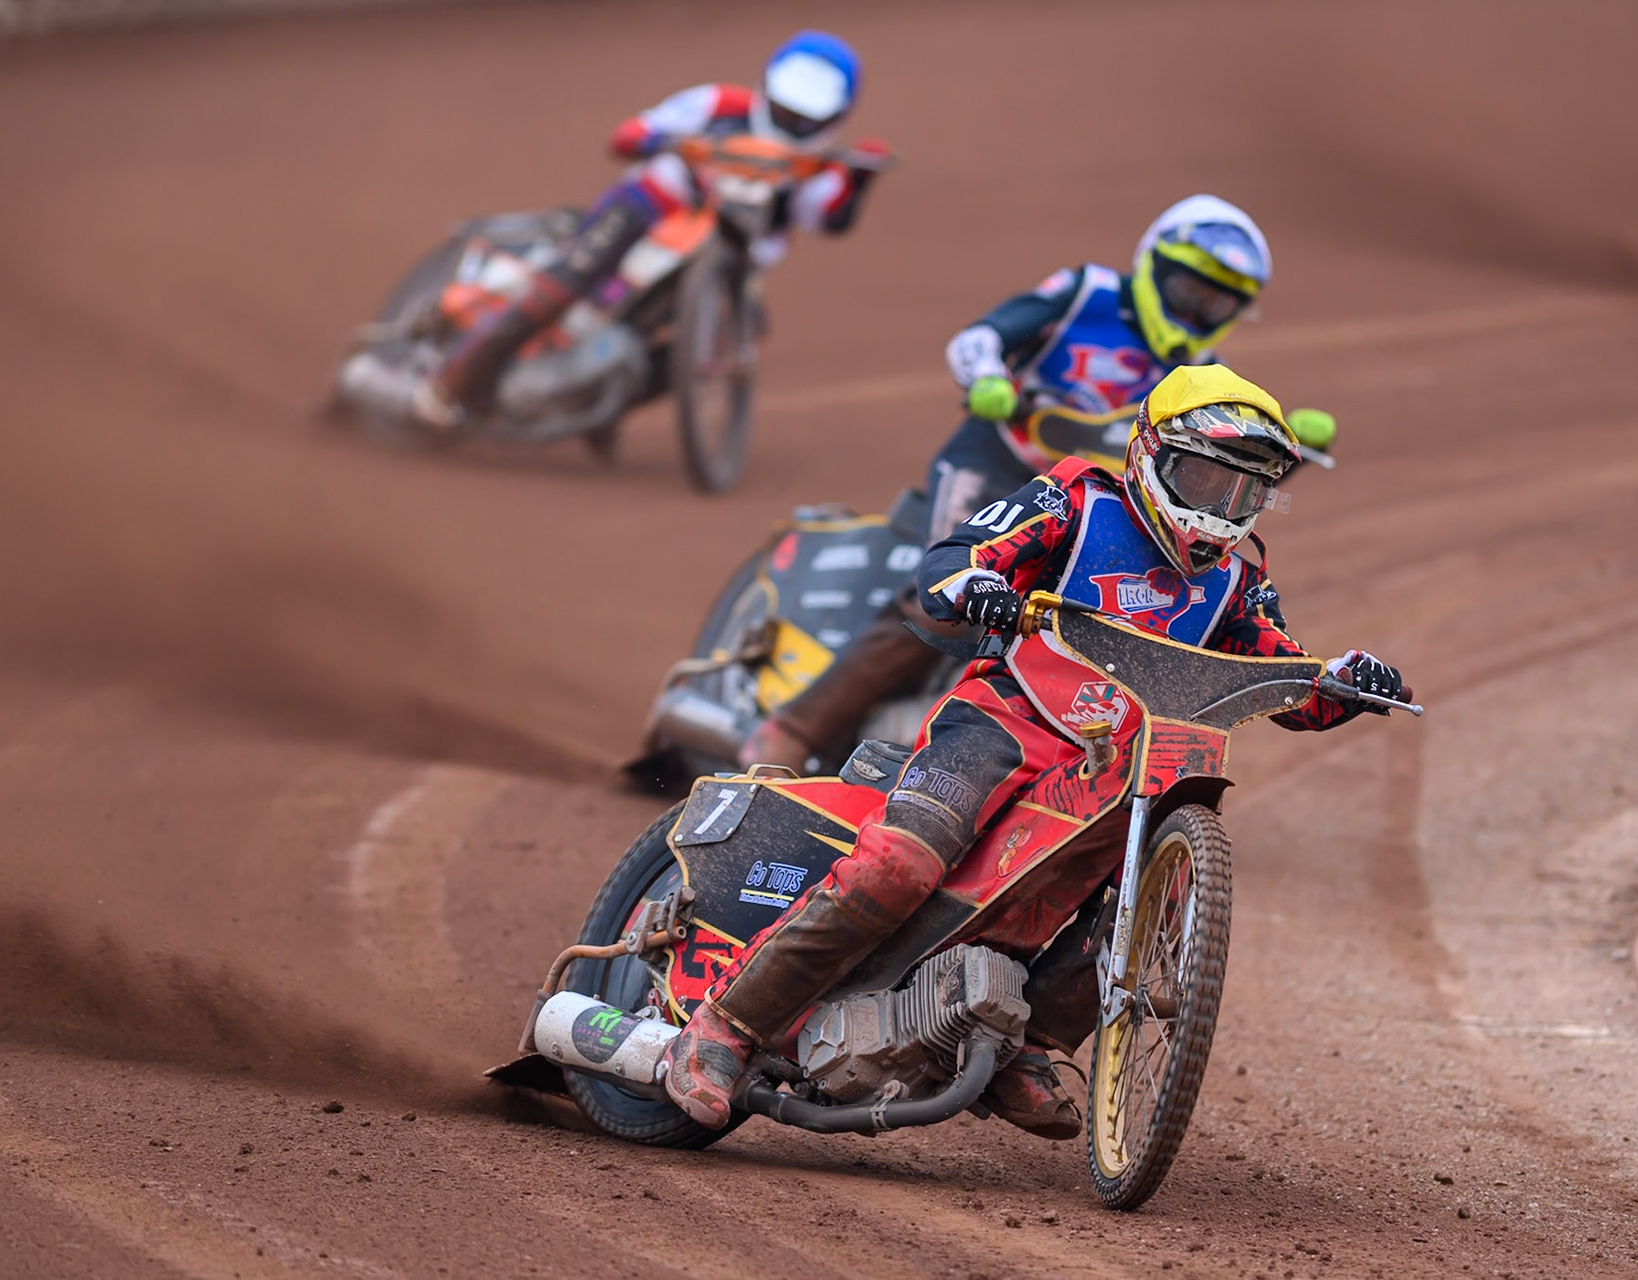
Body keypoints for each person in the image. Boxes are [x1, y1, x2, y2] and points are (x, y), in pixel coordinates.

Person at [667, 364, 1408, 1136]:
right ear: (1151, 455)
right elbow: (955, 557)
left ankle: (1027, 1043)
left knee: (1151, 895)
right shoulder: (1076, 500)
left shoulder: (1238, 582)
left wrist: (1346, 682)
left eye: (1244, 494)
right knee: (902, 863)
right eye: (1205, 480)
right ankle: (726, 1026)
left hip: (1119, 764)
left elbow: (1285, 678)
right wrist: (972, 585)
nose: (1222, 511)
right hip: (1004, 720)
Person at [741, 195, 1335, 771]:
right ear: (1153, 263)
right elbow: (977, 339)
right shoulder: (1086, 295)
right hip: (1000, 457)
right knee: (949, 593)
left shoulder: (1199, 381)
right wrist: (987, 377)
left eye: (1214, 304)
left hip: (1100, 497)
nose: (1195, 311)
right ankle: (792, 731)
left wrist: (1287, 440)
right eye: (1188, 291)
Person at [411, 30, 886, 430]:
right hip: (648, 210)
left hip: (730, 259)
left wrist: (858, 182)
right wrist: (663, 139)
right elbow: (629, 135)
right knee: (573, 277)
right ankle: (452, 381)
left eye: (808, 117)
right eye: (789, 110)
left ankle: (592, 409)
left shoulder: (820, 166)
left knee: (725, 341)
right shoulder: (717, 104)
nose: (797, 123)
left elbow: (826, 219)